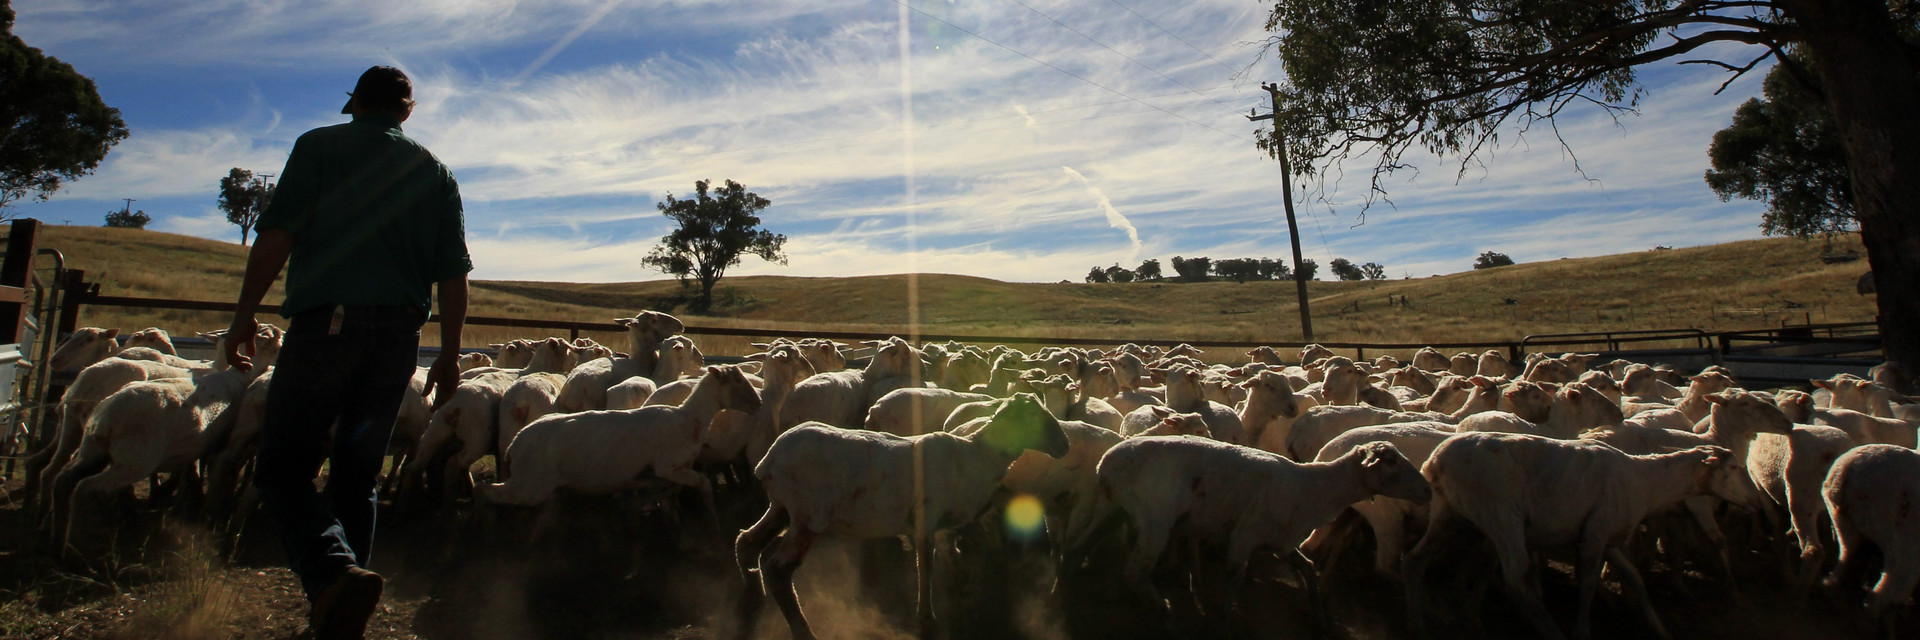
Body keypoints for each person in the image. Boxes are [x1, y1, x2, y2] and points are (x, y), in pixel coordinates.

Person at [222, 65, 470, 640]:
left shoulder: (319, 147)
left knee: (282, 470)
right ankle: (341, 614)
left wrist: (242, 314)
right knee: (357, 477)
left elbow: (278, 236)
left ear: (354, 104)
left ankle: (334, 574)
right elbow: (453, 276)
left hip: (327, 331)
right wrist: (451, 353)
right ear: (407, 111)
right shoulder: (434, 171)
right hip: (397, 340)